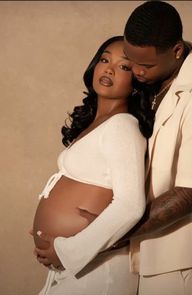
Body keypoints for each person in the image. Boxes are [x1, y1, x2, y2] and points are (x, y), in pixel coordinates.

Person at [112, 1, 192, 295]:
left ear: (177, 51)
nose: (137, 71)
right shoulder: (158, 79)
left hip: (183, 256)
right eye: (132, 60)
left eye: (147, 65)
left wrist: (108, 234)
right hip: (148, 246)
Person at [32, 35, 154, 295]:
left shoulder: (123, 126)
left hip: (98, 271)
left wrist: (67, 250)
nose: (109, 68)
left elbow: (130, 205)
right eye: (104, 59)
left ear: (135, 82)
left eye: (123, 66)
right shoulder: (97, 124)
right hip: (81, 269)